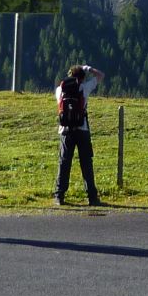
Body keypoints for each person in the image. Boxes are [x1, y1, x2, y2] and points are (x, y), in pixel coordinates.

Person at [54, 64, 105, 207]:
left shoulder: (60, 90)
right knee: (86, 163)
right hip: (82, 129)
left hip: (65, 130)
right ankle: (92, 197)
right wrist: (88, 68)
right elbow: (101, 76)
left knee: (64, 163)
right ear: (82, 78)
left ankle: (59, 196)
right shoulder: (84, 88)